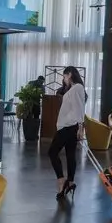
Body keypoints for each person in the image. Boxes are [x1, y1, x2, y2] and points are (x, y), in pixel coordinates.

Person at [48, 66, 86, 201]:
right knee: (70, 154)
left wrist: (80, 128)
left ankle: (61, 180)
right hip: (69, 126)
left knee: (52, 152)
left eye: (64, 76)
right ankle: (70, 182)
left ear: (69, 74)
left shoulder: (77, 88)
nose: (64, 79)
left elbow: (79, 108)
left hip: (69, 126)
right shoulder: (74, 88)